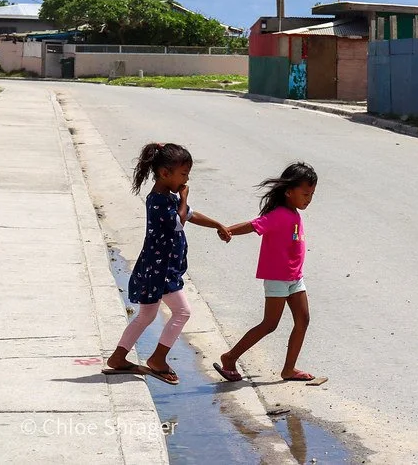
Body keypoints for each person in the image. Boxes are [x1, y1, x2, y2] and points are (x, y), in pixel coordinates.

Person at [102, 143, 230, 385]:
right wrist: (183, 199)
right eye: (183, 174)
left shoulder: (168, 198)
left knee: (146, 316)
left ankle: (119, 358)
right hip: (161, 271)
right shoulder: (159, 201)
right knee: (182, 312)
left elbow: (191, 215)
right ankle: (158, 359)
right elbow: (178, 222)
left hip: (158, 268)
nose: (187, 179)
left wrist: (218, 225)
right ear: (165, 173)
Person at [214, 162, 318, 383]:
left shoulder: (293, 212)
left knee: (303, 320)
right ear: (289, 192)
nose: (308, 199)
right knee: (270, 324)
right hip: (278, 278)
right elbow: (254, 225)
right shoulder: (280, 214)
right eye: (306, 194)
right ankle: (230, 357)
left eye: (312, 194)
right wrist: (228, 230)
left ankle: (288, 369)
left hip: (294, 277)